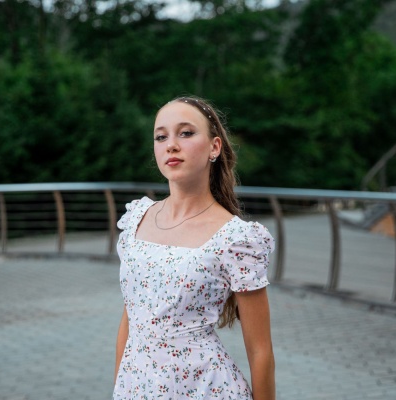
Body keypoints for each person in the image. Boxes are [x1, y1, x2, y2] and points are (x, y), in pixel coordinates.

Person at [114, 96, 276, 399]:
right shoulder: (137, 219)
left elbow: (260, 351)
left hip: (206, 389)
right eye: (161, 137)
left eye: (186, 133)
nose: (171, 145)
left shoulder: (236, 239)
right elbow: (130, 319)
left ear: (215, 147)